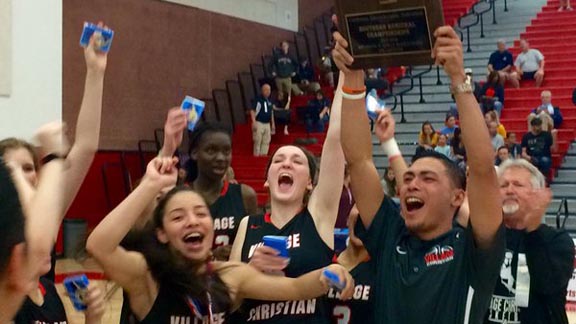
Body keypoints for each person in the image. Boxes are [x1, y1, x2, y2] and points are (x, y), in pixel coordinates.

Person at [332, 25, 505, 323]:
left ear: (458, 196)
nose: (411, 184)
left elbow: (481, 169)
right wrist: (352, 79)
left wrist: (457, 79)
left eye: (428, 178)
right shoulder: (390, 235)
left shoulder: (471, 249)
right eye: (409, 178)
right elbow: (359, 161)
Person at [86, 157, 354, 323]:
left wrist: (329, 274)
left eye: (200, 213)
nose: (192, 220)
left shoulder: (230, 277)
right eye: (178, 217)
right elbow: (99, 245)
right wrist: (150, 184)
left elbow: (296, 289)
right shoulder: (146, 277)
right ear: (162, 233)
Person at [229, 72, 346, 323]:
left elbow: (336, 137)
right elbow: (229, 302)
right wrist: (251, 272)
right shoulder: (247, 225)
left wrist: (347, 71)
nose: (287, 164)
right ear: (267, 179)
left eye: (297, 161)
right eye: (279, 160)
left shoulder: (318, 217)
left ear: (310, 182)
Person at [485, 159, 575, 323]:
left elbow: (548, 285)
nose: (510, 190)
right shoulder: (485, 236)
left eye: (518, 185)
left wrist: (532, 227)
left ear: (538, 193)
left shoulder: (557, 240)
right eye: (503, 185)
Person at [160, 116, 258, 254]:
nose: (220, 158)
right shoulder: (177, 197)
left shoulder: (245, 195)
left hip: (234, 274)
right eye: (211, 150)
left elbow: (255, 245)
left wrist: (236, 254)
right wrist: (210, 257)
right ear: (194, 153)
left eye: (226, 151)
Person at [329, 206, 374, 324]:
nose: (364, 214)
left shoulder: (384, 271)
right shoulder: (323, 261)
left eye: (374, 212)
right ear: (348, 218)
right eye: (359, 205)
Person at [251, 84, 275, 156]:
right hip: (259, 122)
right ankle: (256, 156)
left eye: (269, 90)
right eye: (266, 90)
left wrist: (273, 123)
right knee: (258, 140)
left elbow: (271, 112)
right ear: (262, 90)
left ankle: (263, 155)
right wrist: (254, 122)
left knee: (266, 140)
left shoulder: (270, 101)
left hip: (267, 123)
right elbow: (253, 111)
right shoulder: (258, 99)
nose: (268, 92)